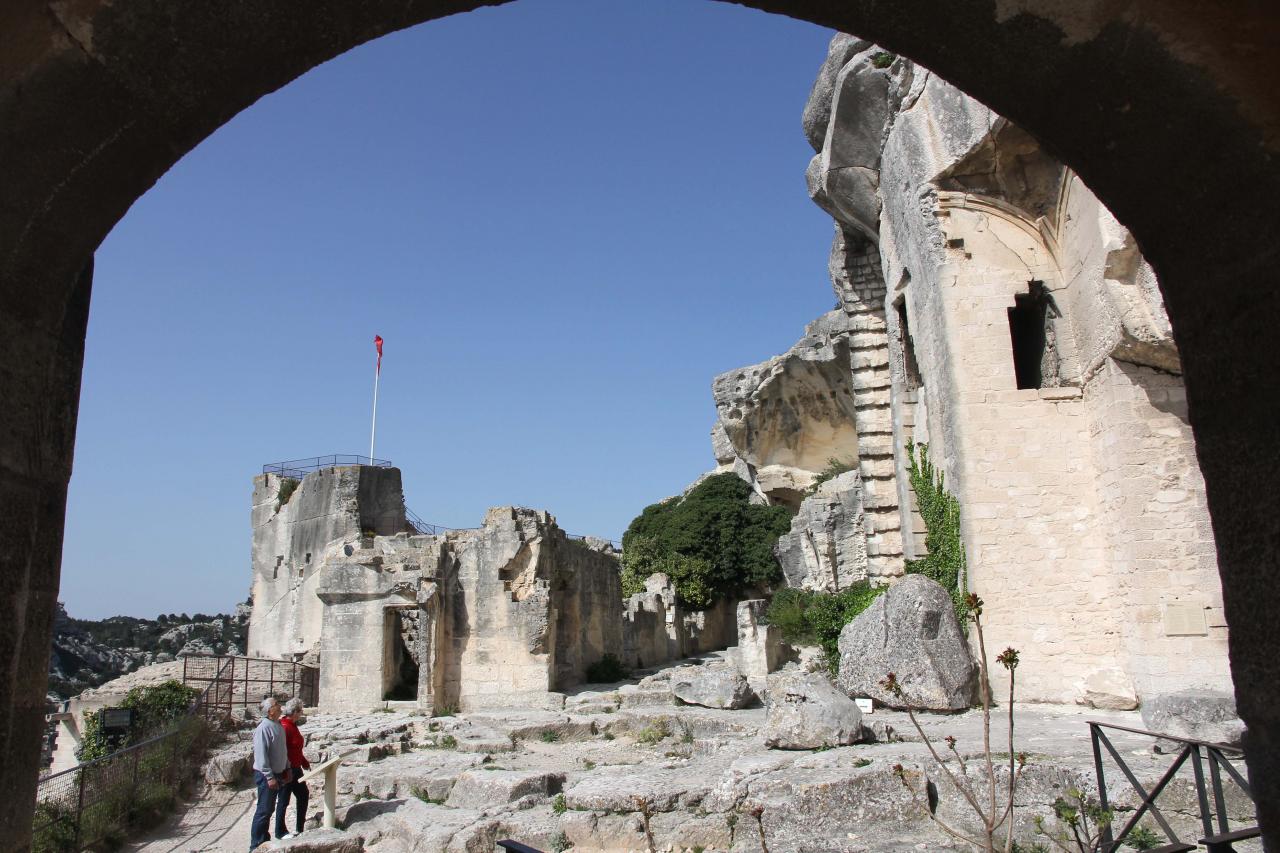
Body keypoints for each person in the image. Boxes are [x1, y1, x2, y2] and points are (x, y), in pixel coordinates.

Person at [250, 697, 290, 850]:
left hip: (278, 773)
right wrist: (269, 776)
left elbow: (282, 750)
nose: (280, 706)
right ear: (270, 711)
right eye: (276, 704)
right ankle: (255, 845)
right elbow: (261, 756)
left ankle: (264, 840)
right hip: (267, 775)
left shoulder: (277, 725)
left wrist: (287, 767)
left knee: (269, 809)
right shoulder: (263, 728)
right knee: (264, 810)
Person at [274, 698, 311, 839]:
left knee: (303, 795)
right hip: (287, 770)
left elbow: (296, 749)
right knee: (283, 800)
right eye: (300, 710)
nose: (302, 713)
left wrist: (304, 761)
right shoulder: (285, 727)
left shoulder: (292, 725)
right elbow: (283, 751)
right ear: (294, 712)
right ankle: (279, 831)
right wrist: (286, 768)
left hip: (296, 768)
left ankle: (299, 828)